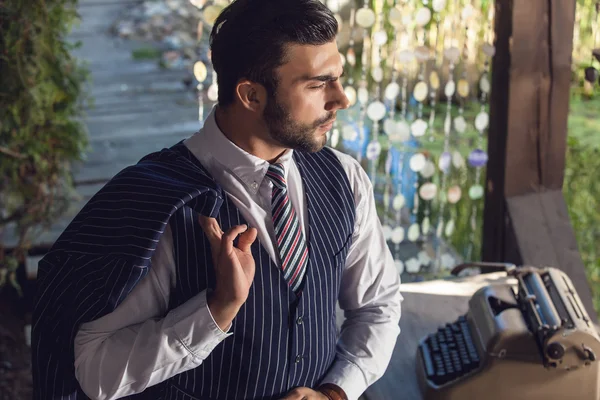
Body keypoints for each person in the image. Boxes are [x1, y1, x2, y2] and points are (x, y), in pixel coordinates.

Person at [31, 0, 402, 399]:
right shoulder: (161, 205)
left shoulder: (345, 178)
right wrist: (216, 309)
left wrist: (336, 392)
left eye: (338, 78)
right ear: (251, 95)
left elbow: (378, 306)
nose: (342, 98)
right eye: (317, 84)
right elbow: (95, 371)